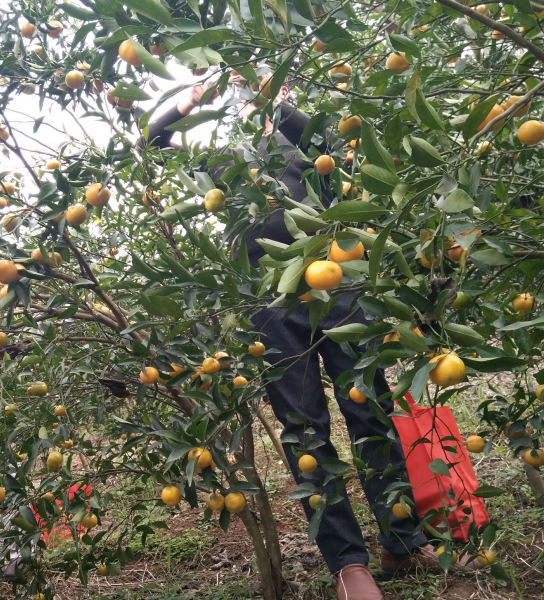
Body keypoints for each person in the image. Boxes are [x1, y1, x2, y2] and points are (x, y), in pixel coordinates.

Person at [144, 74, 484, 600]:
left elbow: (339, 148)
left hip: (338, 285)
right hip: (268, 301)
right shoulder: (215, 152)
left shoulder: (301, 136)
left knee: (369, 409)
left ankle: (402, 535)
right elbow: (153, 142)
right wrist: (188, 103)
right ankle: (348, 562)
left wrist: (278, 104)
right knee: (305, 430)